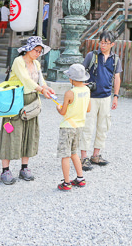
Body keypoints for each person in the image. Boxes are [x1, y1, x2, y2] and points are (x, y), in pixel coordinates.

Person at [0, 36, 55, 185]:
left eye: (40, 51)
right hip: (16, 101)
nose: (38, 53)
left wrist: (47, 89)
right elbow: (26, 80)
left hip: (31, 101)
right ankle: (5, 170)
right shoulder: (18, 61)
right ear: (28, 49)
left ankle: (24, 167)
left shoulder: (36, 63)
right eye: (36, 50)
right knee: (11, 132)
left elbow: (41, 80)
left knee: (29, 133)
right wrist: (41, 89)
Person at [80, 33, 122, 171]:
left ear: (112, 44)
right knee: (88, 125)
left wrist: (115, 96)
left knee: (103, 126)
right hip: (91, 96)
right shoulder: (91, 56)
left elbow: (117, 78)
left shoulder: (115, 59)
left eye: (106, 43)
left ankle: (96, 155)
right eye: (101, 42)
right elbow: (81, 72)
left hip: (106, 97)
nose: (103, 45)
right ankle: (83, 157)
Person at [56, 63, 91, 191]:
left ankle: (66, 182)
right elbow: (88, 109)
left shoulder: (70, 93)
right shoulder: (87, 90)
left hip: (67, 126)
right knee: (74, 152)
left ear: (71, 79)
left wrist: (58, 107)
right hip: (79, 126)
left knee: (65, 155)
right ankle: (80, 178)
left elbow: (63, 112)